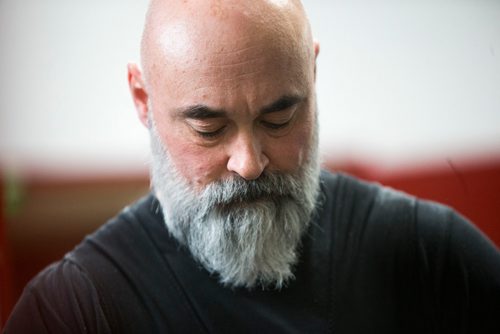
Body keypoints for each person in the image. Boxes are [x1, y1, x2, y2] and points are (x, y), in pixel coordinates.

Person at [5, 0, 500, 332]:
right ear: (142, 99)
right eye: (209, 128)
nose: (249, 163)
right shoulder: (76, 310)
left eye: (279, 118)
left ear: (312, 72)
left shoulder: (427, 256)